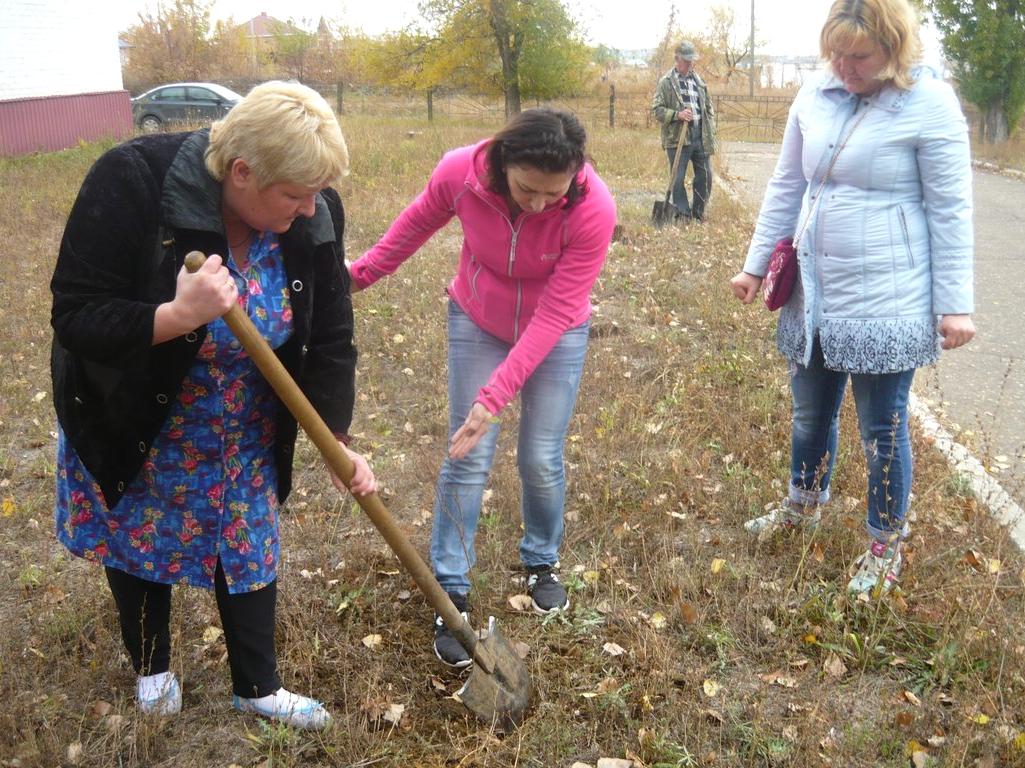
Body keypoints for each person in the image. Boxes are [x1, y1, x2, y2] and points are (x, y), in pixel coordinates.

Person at [50, 81, 376, 729]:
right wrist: (174, 316)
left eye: (317, 193)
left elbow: (331, 335)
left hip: (244, 423)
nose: (310, 209)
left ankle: (256, 687)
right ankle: (152, 671)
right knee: (136, 535)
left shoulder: (313, 211)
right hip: (140, 412)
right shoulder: (133, 180)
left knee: (247, 543)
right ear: (241, 171)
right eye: (293, 195)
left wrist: (334, 436)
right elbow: (77, 314)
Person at [348, 108, 617, 667]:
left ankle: (542, 560)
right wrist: (356, 278)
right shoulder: (460, 174)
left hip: (557, 330)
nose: (539, 203)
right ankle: (451, 591)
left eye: (553, 193)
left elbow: (558, 310)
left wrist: (493, 399)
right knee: (467, 454)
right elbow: (414, 226)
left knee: (540, 457)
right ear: (501, 161)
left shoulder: (593, 208)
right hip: (478, 319)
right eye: (527, 189)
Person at [729, 0, 975, 594]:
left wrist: (956, 302)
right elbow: (788, 182)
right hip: (815, 291)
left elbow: (950, 208)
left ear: (894, 48)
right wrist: (755, 265)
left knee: (882, 427)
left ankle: (884, 544)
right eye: (835, 52)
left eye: (859, 56)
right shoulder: (815, 93)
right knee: (810, 410)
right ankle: (803, 504)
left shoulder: (930, 103)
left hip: (887, 297)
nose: (844, 66)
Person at [651, 40, 718, 222]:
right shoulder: (666, 82)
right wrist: (677, 114)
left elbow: (708, 107)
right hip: (677, 138)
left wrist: (709, 124)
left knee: (705, 175)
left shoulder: (699, 81)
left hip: (700, 136)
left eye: (691, 61)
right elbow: (656, 110)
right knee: (677, 178)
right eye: (686, 60)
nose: (689, 64)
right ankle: (683, 213)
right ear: (677, 59)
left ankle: (698, 212)